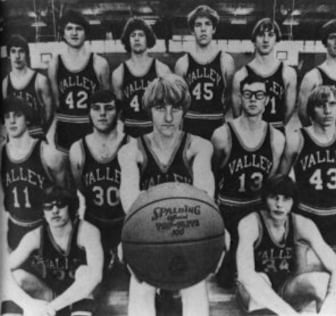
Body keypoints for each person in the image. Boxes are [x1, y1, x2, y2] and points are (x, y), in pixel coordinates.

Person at [118, 73, 214, 316]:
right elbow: (131, 205)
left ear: (185, 111)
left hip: (189, 233)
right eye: (160, 108)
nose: (169, 117)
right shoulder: (131, 151)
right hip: (147, 238)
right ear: (149, 110)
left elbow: (204, 199)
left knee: (195, 284)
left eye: (176, 108)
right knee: (141, 284)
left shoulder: (200, 147)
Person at [236, 174, 336, 315]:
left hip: (286, 290)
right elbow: (245, 274)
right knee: (260, 279)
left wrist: (330, 308)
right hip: (255, 293)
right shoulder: (250, 223)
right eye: (274, 197)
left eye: (286, 199)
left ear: (293, 202)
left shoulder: (302, 223)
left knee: (322, 281)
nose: (279, 204)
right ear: (265, 198)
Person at [211, 75, 285, 288]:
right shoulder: (222, 134)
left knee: (270, 277)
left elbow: (273, 182)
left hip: (258, 212)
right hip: (230, 211)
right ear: (240, 98)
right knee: (226, 279)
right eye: (248, 94)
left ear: (267, 100)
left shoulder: (276, 138)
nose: (253, 99)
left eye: (259, 95)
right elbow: (214, 174)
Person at [280, 85, 336, 272]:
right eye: (321, 105)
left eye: (332, 104)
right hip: (305, 215)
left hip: (334, 216)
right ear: (311, 109)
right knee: (298, 274)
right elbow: (281, 181)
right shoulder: (297, 139)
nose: (328, 110)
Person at [1, 185, 104, 316]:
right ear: (43, 212)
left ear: (71, 207)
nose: (54, 211)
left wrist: (52, 308)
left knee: (85, 272)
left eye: (60, 205)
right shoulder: (35, 236)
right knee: (17, 276)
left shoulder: (88, 232)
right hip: (50, 296)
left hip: (80, 296)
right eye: (48, 207)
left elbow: (96, 276)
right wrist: (28, 303)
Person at [0, 96, 70, 252]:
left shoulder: (48, 154)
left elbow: (66, 196)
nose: (12, 121)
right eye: (7, 116)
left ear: (27, 119)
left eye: (17, 115)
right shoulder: (2, 154)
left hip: (44, 229)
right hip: (15, 229)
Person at [69, 90, 127, 270]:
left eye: (108, 108)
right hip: (94, 224)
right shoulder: (78, 149)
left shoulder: (132, 144)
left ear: (118, 113)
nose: (102, 113)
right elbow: (80, 187)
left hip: (125, 224)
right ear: (89, 113)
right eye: (96, 108)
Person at [48, 10, 110, 153]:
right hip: (65, 129)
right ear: (63, 33)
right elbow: (56, 104)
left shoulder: (99, 63)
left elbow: (107, 104)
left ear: (86, 33)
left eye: (78, 29)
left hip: (90, 129)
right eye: (69, 28)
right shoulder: (54, 64)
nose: (74, 33)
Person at [175, 5, 235, 140]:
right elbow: (179, 101)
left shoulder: (226, 60)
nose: (203, 29)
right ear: (192, 30)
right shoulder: (182, 63)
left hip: (216, 124)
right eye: (198, 25)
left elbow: (228, 96)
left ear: (213, 29)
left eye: (207, 24)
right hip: (190, 124)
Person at [232, 18, 297, 131]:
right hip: (250, 133)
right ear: (254, 40)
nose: (266, 40)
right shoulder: (241, 75)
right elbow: (237, 114)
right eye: (261, 35)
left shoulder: (288, 73)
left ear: (276, 39)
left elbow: (288, 112)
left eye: (271, 35)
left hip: (276, 131)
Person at [112, 17, 171, 137]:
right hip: (130, 131)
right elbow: (118, 111)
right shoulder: (119, 73)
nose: (137, 38)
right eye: (133, 35)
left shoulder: (162, 70)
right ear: (128, 40)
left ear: (148, 39)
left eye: (141, 35)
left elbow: (169, 106)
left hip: (155, 131)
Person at [298, 18, 336, 131]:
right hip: (325, 138)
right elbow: (303, 115)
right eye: (333, 37)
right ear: (325, 41)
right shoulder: (312, 77)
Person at [2, 34, 53, 139]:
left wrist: (42, 131)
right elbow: (6, 113)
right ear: (8, 56)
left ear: (27, 54)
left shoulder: (40, 80)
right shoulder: (5, 83)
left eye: (21, 51)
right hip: (16, 136)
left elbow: (49, 113)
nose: (17, 56)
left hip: (36, 133)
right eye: (13, 51)